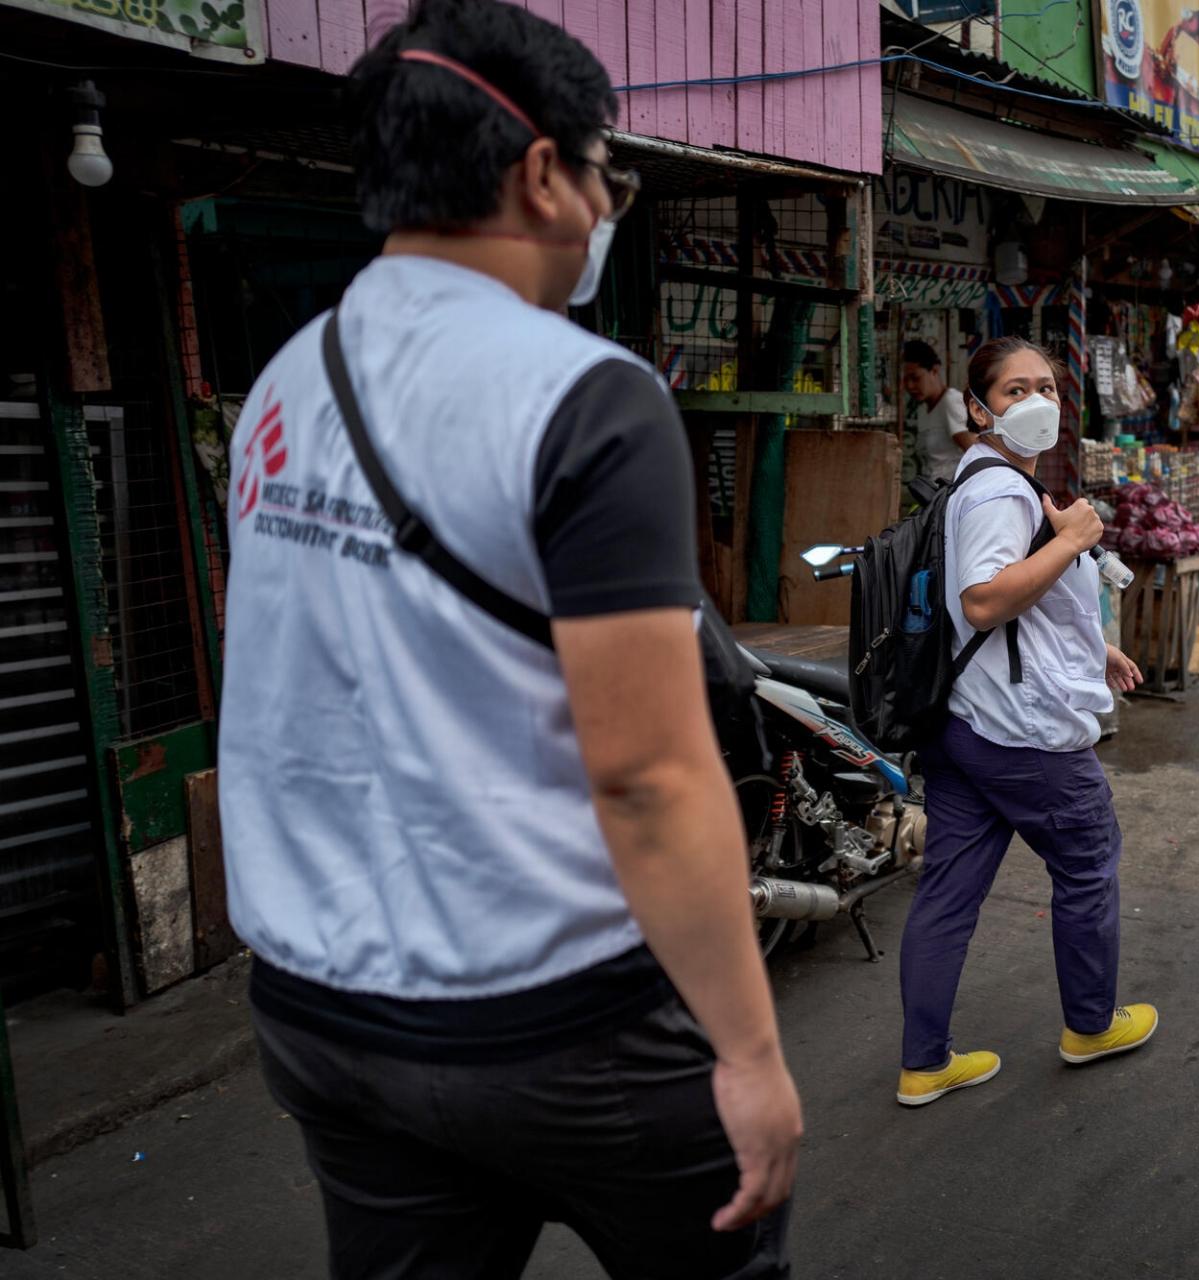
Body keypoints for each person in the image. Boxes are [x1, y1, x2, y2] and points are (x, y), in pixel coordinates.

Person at [217, 4, 802, 1273]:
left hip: (324, 1021)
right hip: (557, 1025)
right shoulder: (586, 396)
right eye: (608, 176)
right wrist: (750, 1052)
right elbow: (648, 774)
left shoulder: (283, 383)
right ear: (543, 173)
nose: (606, 210)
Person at [895, 337, 1154, 1109]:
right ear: (978, 408)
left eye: (1047, 386)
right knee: (1088, 860)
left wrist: (1091, 642)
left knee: (948, 893)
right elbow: (983, 599)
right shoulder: (1000, 491)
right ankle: (1091, 1024)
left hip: (971, 718)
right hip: (1023, 731)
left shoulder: (993, 476)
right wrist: (1077, 538)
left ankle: (925, 1064)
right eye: (1014, 391)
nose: (1037, 401)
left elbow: (1018, 600)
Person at [902, 339, 975, 482]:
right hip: (933, 493)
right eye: (906, 380)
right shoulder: (923, 409)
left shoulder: (950, 402)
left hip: (951, 492)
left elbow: (976, 451)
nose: (910, 386)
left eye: (916, 378)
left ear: (934, 371)